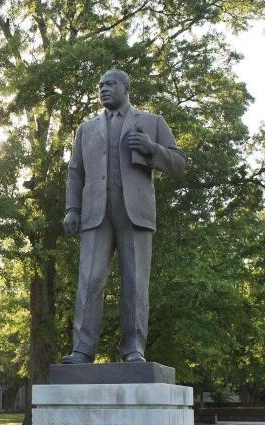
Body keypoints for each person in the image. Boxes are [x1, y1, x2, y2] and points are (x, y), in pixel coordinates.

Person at [61, 69, 187, 364]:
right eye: (100, 85)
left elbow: (179, 162)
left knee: (134, 281)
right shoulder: (86, 129)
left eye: (110, 84)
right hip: (95, 214)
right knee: (89, 281)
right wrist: (72, 209)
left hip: (136, 213)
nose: (103, 89)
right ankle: (82, 349)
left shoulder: (152, 122)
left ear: (126, 87)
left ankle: (133, 349)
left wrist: (151, 149)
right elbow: (75, 172)